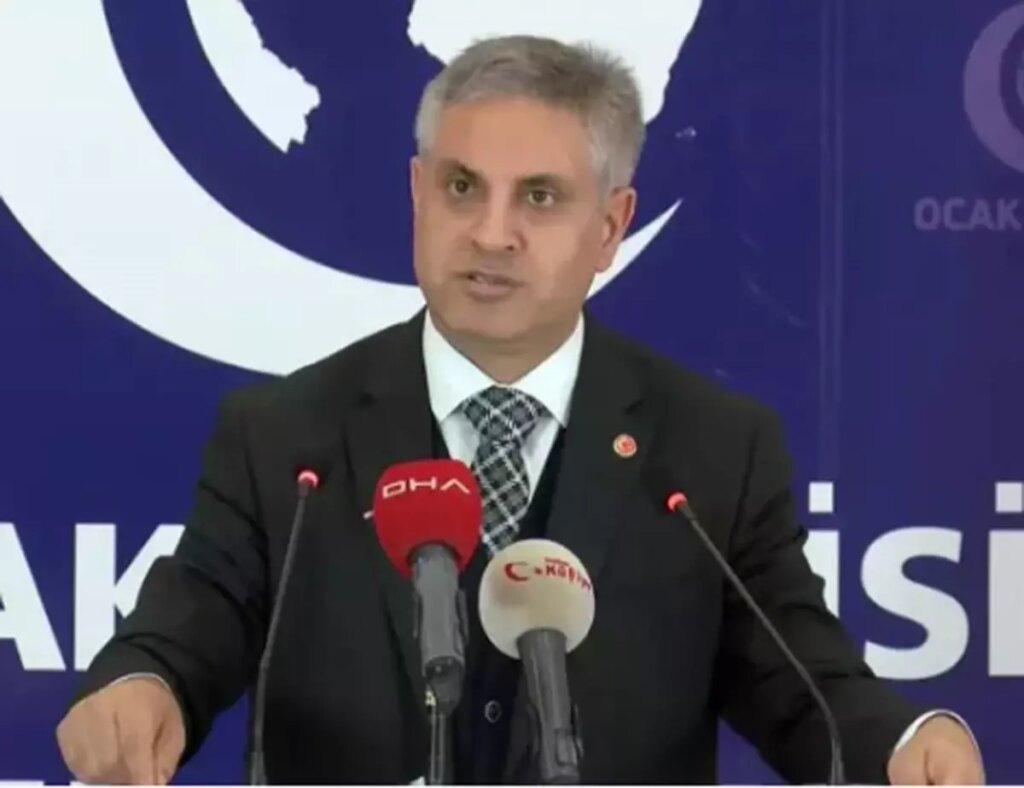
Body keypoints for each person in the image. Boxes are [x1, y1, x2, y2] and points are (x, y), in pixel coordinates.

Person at [56, 35, 984, 785]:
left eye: (539, 197)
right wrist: (141, 688)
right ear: (417, 195)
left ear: (610, 227)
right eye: (462, 188)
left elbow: (802, 683)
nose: (491, 233)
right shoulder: (283, 438)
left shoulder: (711, 448)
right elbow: (189, 626)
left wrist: (906, 745)